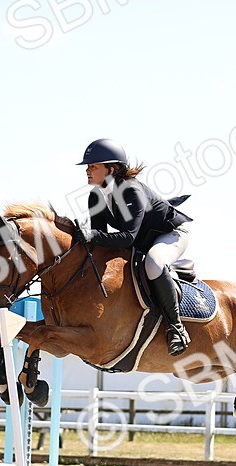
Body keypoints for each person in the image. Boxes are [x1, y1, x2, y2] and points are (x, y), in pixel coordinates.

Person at [76, 138, 194, 356]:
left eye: (93, 166)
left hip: (169, 235)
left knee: (153, 263)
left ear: (111, 169)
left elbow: (127, 237)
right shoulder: (96, 197)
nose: (88, 171)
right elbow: (100, 240)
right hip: (141, 240)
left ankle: (177, 329)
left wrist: (91, 235)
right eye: (88, 167)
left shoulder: (131, 190)